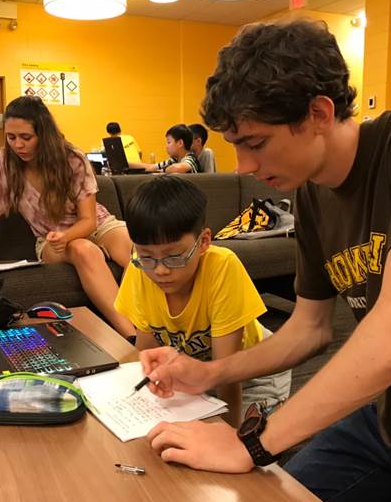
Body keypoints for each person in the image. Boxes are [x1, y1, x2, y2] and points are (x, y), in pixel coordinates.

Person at [141, 20, 391, 502]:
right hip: (390, 422)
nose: (244, 166)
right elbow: (310, 328)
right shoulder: (313, 195)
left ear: (318, 112)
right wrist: (210, 373)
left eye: (255, 143)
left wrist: (251, 443)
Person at [114, 175, 291, 426]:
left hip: (252, 372)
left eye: (174, 256)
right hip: (196, 371)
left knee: (249, 438)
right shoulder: (140, 271)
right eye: (146, 256)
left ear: (203, 241)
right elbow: (147, 352)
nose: (160, 270)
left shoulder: (222, 267)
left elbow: (228, 374)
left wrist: (229, 434)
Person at [0, 96, 136, 340]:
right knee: (84, 249)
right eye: (11, 137)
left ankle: (153, 329)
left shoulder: (72, 158)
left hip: (97, 225)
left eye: (26, 137)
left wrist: (68, 235)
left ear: (44, 134)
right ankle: (132, 337)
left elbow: (89, 220)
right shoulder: (5, 162)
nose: (18, 145)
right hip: (50, 239)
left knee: (138, 251)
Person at [130, 124, 200, 173]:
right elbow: (151, 167)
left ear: (180, 143)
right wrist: (127, 164)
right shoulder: (174, 160)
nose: (166, 146)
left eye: (169, 142)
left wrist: (164, 170)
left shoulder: (191, 159)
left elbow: (177, 168)